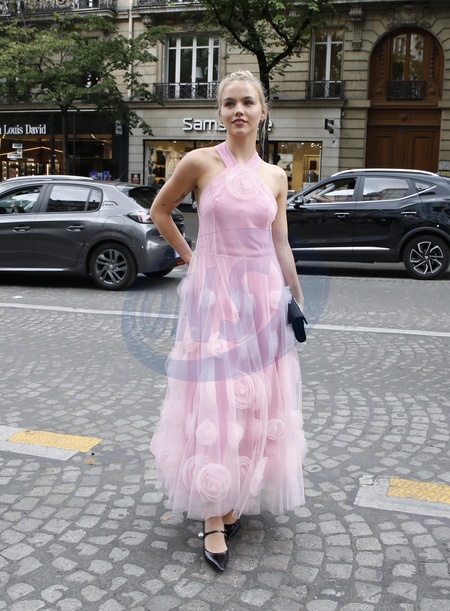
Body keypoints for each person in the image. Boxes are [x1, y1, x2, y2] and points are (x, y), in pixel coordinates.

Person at [149, 70, 307, 573]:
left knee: (256, 399)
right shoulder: (199, 161)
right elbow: (161, 211)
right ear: (220, 113)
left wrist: (295, 296)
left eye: (247, 102)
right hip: (215, 300)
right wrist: (193, 259)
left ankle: (238, 491)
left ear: (262, 111)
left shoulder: (276, 176)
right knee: (214, 397)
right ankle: (214, 513)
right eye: (230, 103)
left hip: (262, 299)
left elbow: (280, 242)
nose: (239, 110)